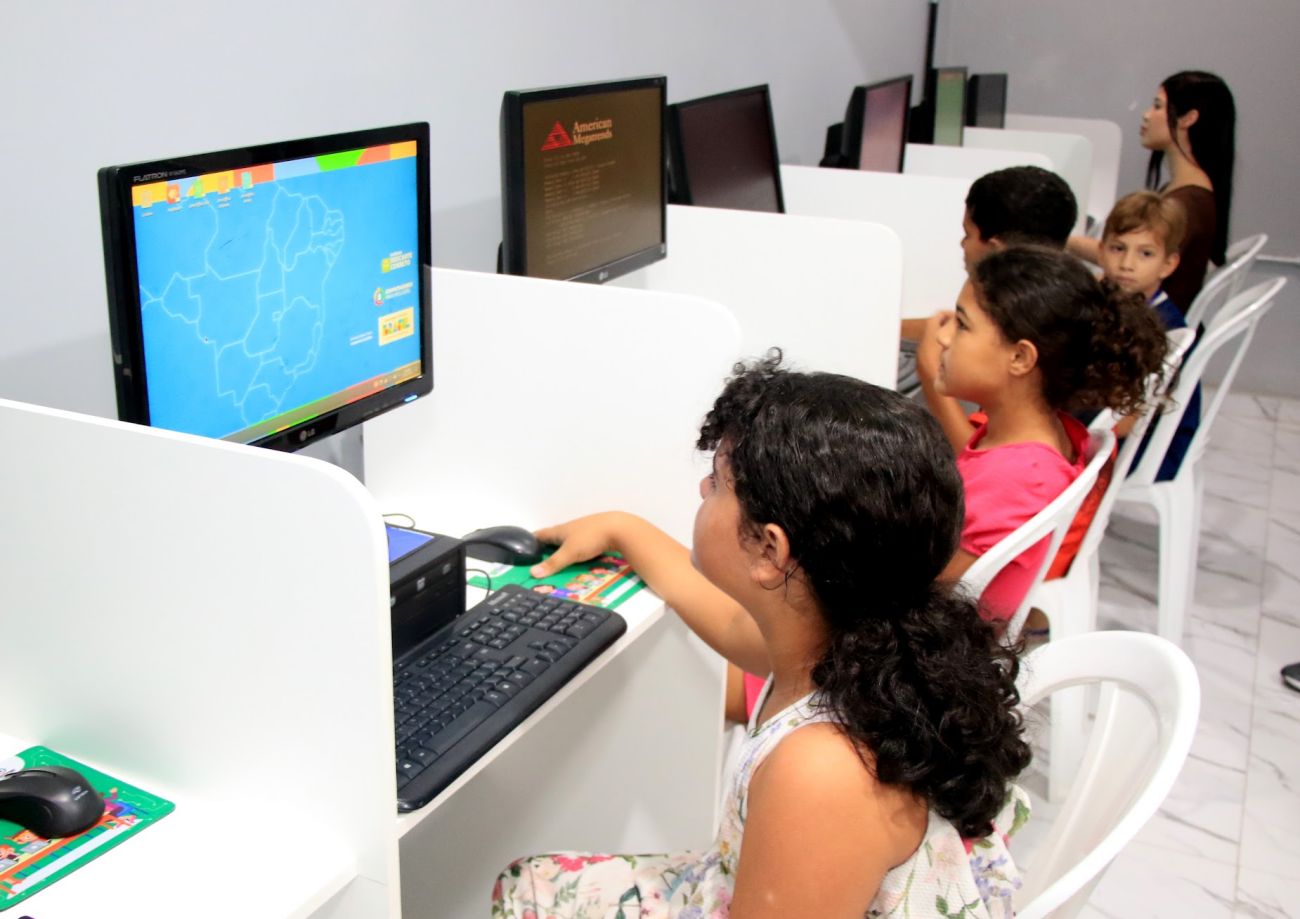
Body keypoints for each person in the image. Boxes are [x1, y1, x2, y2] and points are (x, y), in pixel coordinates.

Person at [495, 354, 1033, 917]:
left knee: (529, 889)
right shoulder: (856, 644)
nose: (703, 488)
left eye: (718, 483)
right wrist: (622, 529)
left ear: (770, 550)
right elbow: (730, 623)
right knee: (528, 880)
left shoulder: (821, 770)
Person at [916, 246, 1169, 622]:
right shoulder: (1042, 436)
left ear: (1020, 358)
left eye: (962, 325)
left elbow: (925, 592)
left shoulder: (1019, 476)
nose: (943, 337)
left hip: (936, 636)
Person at [1072, 71, 1236, 315]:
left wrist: (1056, 238)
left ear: (1188, 119)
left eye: (1158, 106)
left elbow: (1129, 262)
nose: (1146, 115)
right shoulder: (1187, 190)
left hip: (1147, 321)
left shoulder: (1187, 203)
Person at [900, 164, 1078, 342]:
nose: (962, 244)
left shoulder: (1004, 330)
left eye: (967, 235)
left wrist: (927, 359)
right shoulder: (1063, 309)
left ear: (997, 252)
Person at [1096, 190, 1202, 482]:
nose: (1127, 264)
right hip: (1123, 430)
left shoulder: (1160, 327)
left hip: (1145, 448)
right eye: (1118, 248)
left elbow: (1124, 423)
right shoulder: (1117, 304)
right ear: (1101, 251)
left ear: (1169, 263)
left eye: (1145, 253)